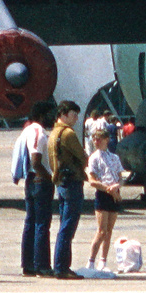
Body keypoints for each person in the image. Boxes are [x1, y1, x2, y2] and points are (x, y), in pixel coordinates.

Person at [47, 100, 87, 279]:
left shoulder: (53, 132)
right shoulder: (68, 134)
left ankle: (60, 265)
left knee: (63, 224)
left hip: (60, 181)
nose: (76, 118)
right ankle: (62, 267)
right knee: (68, 226)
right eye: (73, 114)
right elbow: (82, 155)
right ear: (63, 114)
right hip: (72, 181)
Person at [17, 100, 56, 277]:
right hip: (40, 181)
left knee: (30, 222)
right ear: (41, 115)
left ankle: (28, 263)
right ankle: (41, 264)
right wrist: (50, 177)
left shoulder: (26, 130)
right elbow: (35, 161)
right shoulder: (38, 133)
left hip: (30, 181)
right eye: (50, 114)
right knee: (42, 224)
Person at [85, 127, 124, 272]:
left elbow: (121, 177)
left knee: (109, 230)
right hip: (103, 193)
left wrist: (117, 186)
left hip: (114, 191)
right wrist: (109, 189)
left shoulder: (114, 157)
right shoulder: (94, 158)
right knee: (101, 230)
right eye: (94, 139)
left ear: (106, 140)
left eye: (99, 139)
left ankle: (103, 260)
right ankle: (91, 260)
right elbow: (93, 181)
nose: (96, 141)